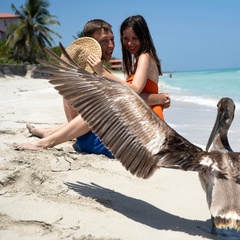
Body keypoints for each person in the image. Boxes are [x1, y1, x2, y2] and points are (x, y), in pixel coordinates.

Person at [14, 16, 170, 157]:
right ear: (92, 44)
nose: (128, 43)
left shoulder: (143, 57)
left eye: (134, 38)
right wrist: (160, 98)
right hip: (116, 133)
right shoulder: (132, 61)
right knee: (81, 95)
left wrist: (160, 98)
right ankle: (52, 133)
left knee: (101, 104)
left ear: (144, 37)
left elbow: (133, 92)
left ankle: (47, 140)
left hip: (134, 137)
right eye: (125, 38)